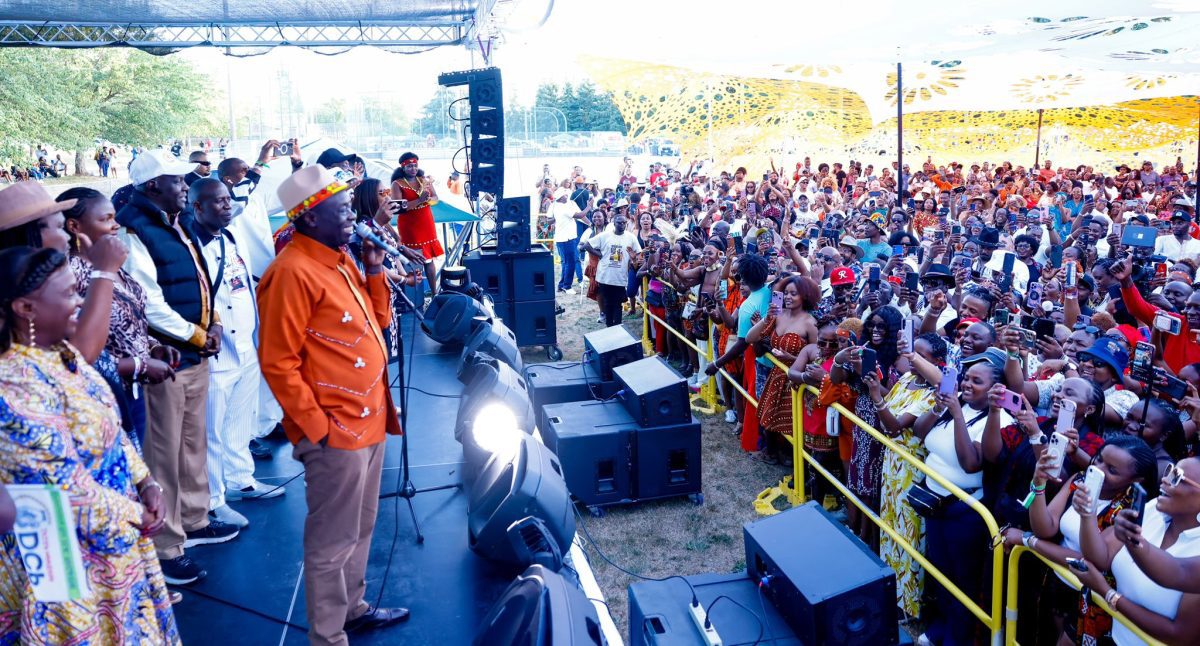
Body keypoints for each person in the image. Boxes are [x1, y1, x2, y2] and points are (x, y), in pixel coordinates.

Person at [257, 165, 408, 645]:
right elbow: (278, 363)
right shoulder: (291, 272)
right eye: (340, 209)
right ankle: (327, 636)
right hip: (335, 432)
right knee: (330, 542)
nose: (352, 216)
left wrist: (375, 266)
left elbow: (378, 320)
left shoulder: (339, 259)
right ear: (308, 217)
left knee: (362, 526)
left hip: (371, 419)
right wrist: (317, 429)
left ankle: (353, 607)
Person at [0, 246, 179, 645]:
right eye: (68, 294)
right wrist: (138, 514)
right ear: (25, 307)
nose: (79, 301)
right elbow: (67, 491)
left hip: (116, 535)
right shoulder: (13, 383)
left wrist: (148, 483)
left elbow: (109, 427)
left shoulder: (64, 354)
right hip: (64, 557)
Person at [118, 149, 238, 584]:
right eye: (177, 181)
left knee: (192, 442)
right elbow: (148, 302)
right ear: (154, 186)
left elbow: (203, 279)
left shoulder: (174, 223)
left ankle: (195, 519)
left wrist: (215, 323)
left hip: (194, 353)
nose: (185, 188)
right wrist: (195, 333)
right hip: (165, 359)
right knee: (164, 454)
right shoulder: (135, 231)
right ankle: (166, 545)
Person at [185, 178, 283, 532]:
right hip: (216, 352)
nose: (227, 206)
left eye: (228, 200)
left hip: (246, 344)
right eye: (218, 201)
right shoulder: (191, 245)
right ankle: (213, 501)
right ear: (197, 208)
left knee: (242, 419)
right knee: (212, 429)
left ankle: (242, 479)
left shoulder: (230, 238)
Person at [58, 187, 179, 447]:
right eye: (105, 219)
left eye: (114, 218)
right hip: (102, 392)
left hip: (131, 389)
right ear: (74, 225)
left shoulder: (107, 262)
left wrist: (154, 347)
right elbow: (77, 350)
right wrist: (139, 364)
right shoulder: (70, 274)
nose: (115, 226)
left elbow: (128, 320)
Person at [911, 349, 1014, 646]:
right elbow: (920, 433)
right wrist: (937, 409)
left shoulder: (999, 420)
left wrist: (957, 415)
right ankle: (942, 626)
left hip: (964, 510)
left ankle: (959, 637)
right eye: (966, 378)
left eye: (976, 381)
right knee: (941, 572)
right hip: (934, 501)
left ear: (995, 389)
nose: (967, 384)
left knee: (962, 579)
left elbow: (971, 462)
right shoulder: (955, 404)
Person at [1071, 458, 1200, 645]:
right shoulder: (1153, 510)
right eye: (1169, 471)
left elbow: (1180, 634)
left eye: (1177, 477)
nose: (1165, 480)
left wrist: (1108, 594)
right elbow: (1101, 557)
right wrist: (1087, 514)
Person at [746, 275, 819, 463]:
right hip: (777, 375)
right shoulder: (777, 315)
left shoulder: (811, 324)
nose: (788, 297)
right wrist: (767, 318)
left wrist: (792, 359)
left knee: (794, 422)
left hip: (797, 382)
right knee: (770, 416)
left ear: (805, 296)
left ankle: (792, 460)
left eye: (794, 294)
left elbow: (817, 361)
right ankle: (771, 453)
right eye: (785, 293)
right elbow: (749, 338)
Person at [391, 152, 443, 294]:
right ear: (403, 168)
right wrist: (419, 200)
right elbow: (399, 208)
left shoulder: (423, 180)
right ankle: (414, 298)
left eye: (415, 165)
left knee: (429, 259)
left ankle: (434, 293)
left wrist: (427, 199)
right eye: (409, 166)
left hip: (426, 221)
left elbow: (436, 199)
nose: (413, 169)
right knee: (413, 259)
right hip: (409, 225)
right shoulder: (397, 184)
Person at [581, 212, 642, 327]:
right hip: (605, 276)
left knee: (618, 303)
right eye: (619, 223)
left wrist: (633, 260)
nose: (622, 225)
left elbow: (638, 253)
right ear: (614, 223)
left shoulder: (631, 237)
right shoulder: (605, 235)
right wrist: (599, 255)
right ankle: (609, 326)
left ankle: (617, 326)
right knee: (607, 303)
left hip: (620, 276)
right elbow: (587, 245)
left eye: (624, 223)